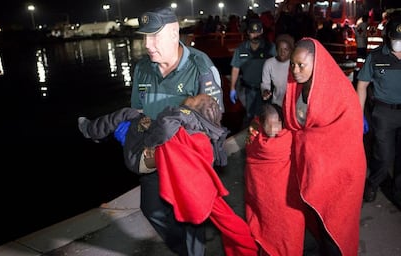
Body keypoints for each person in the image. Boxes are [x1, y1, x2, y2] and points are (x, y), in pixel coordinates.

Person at [77, 94, 258, 256]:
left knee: (126, 114)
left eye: (191, 101)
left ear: (194, 113)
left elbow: (162, 130)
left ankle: (91, 130)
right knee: (155, 209)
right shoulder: (201, 133)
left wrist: (151, 126)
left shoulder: (181, 127)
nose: (188, 100)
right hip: (156, 164)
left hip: (141, 156)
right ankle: (184, 248)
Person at [128, 6, 225, 256]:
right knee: (151, 209)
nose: (148, 44)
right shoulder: (143, 69)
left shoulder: (200, 67)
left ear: (174, 33)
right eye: (145, 36)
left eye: (154, 36)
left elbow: (213, 120)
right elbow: (139, 109)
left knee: (191, 217)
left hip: (188, 159)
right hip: (154, 154)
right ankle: (183, 250)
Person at [283, 38, 366, 255]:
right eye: (293, 64)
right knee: (320, 220)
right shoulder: (295, 86)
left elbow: (346, 138)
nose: (296, 70)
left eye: (302, 65)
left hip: (339, 173)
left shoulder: (340, 92)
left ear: (316, 63)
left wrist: (313, 144)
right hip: (313, 169)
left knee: (335, 227)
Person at [244, 103, 304, 255]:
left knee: (279, 229)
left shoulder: (252, 135)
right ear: (261, 123)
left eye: (277, 124)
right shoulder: (288, 138)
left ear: (283, 123)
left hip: (279, 197)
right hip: (270, 196)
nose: (273, 129)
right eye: (268, 125)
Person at [356, 16, 401, 209]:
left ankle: (398, 194)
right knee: (384, 156)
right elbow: (362, 85)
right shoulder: (375, 57)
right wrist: (359, 115)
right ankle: (373, 183)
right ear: (388, 37)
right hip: (384, 113)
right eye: (396, 38)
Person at [229, 18, 276, 126]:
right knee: (250, 116)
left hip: (266, 90)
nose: (255, 35)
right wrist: (232, 88)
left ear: (262, 31)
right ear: (248, 33)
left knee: (266, 116)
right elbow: (235, 68)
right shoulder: (241, 49)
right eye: (252, 32)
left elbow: (277, 66)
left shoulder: (270, 48)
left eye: (258, 32)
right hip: (249, 90)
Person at [261, 34, 294, 106]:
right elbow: (265, 84)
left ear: (291, 51)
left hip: (294, 105)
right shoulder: (269, 63)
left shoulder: (295, 63)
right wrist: (265, 91)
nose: (282, 52)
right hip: (277, 103)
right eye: (280, 49)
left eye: (286, 49)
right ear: (276, 49)